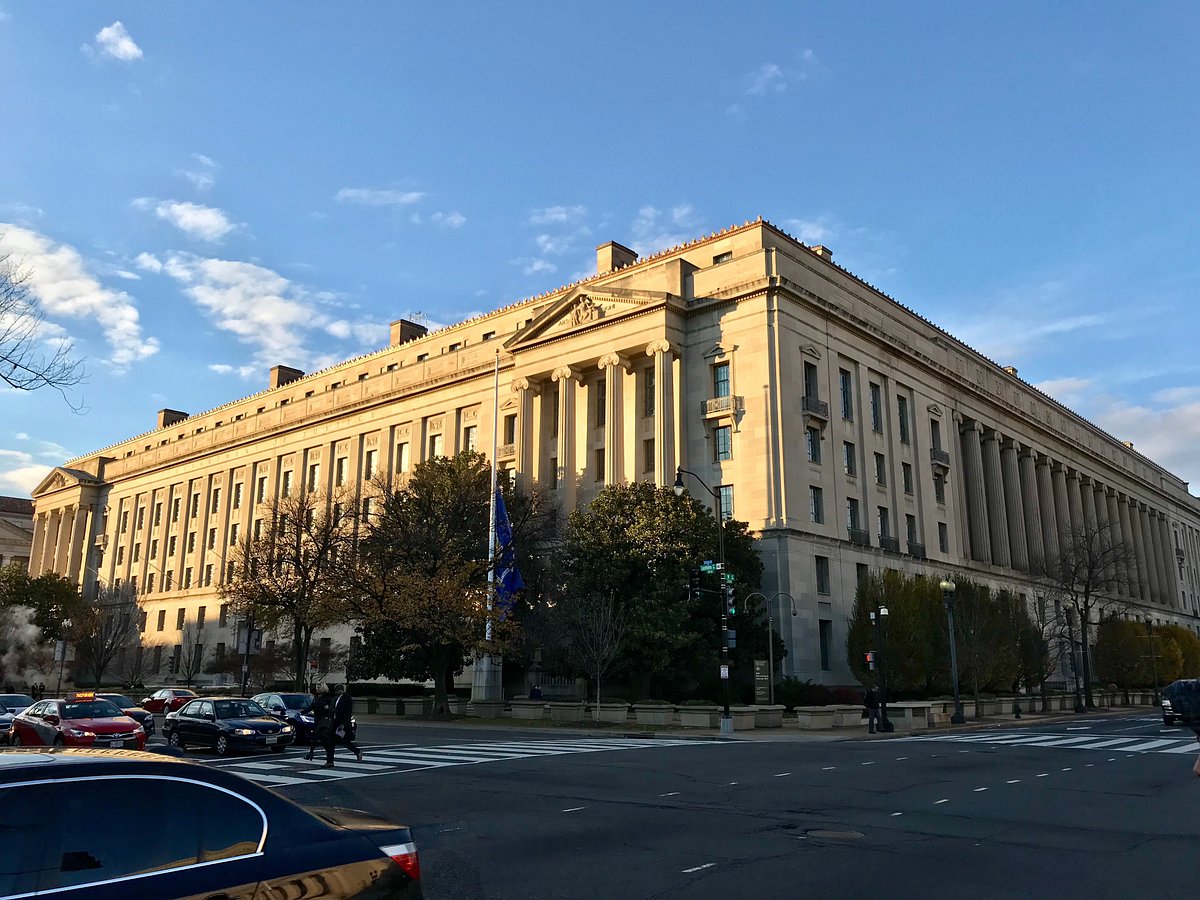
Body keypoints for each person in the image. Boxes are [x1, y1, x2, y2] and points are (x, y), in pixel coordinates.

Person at [311, 682, 363, 768]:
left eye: (338, 690)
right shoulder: (335, 699)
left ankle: (357, 751)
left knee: (344, 741)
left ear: (342, 690)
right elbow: (333, 709)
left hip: (341, 724)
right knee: (330, 742)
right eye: (336, 691)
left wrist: (342, 724)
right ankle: (330, 761)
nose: (337, 692)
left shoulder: (347, 699)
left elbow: (346, 713)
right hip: (334, 723)